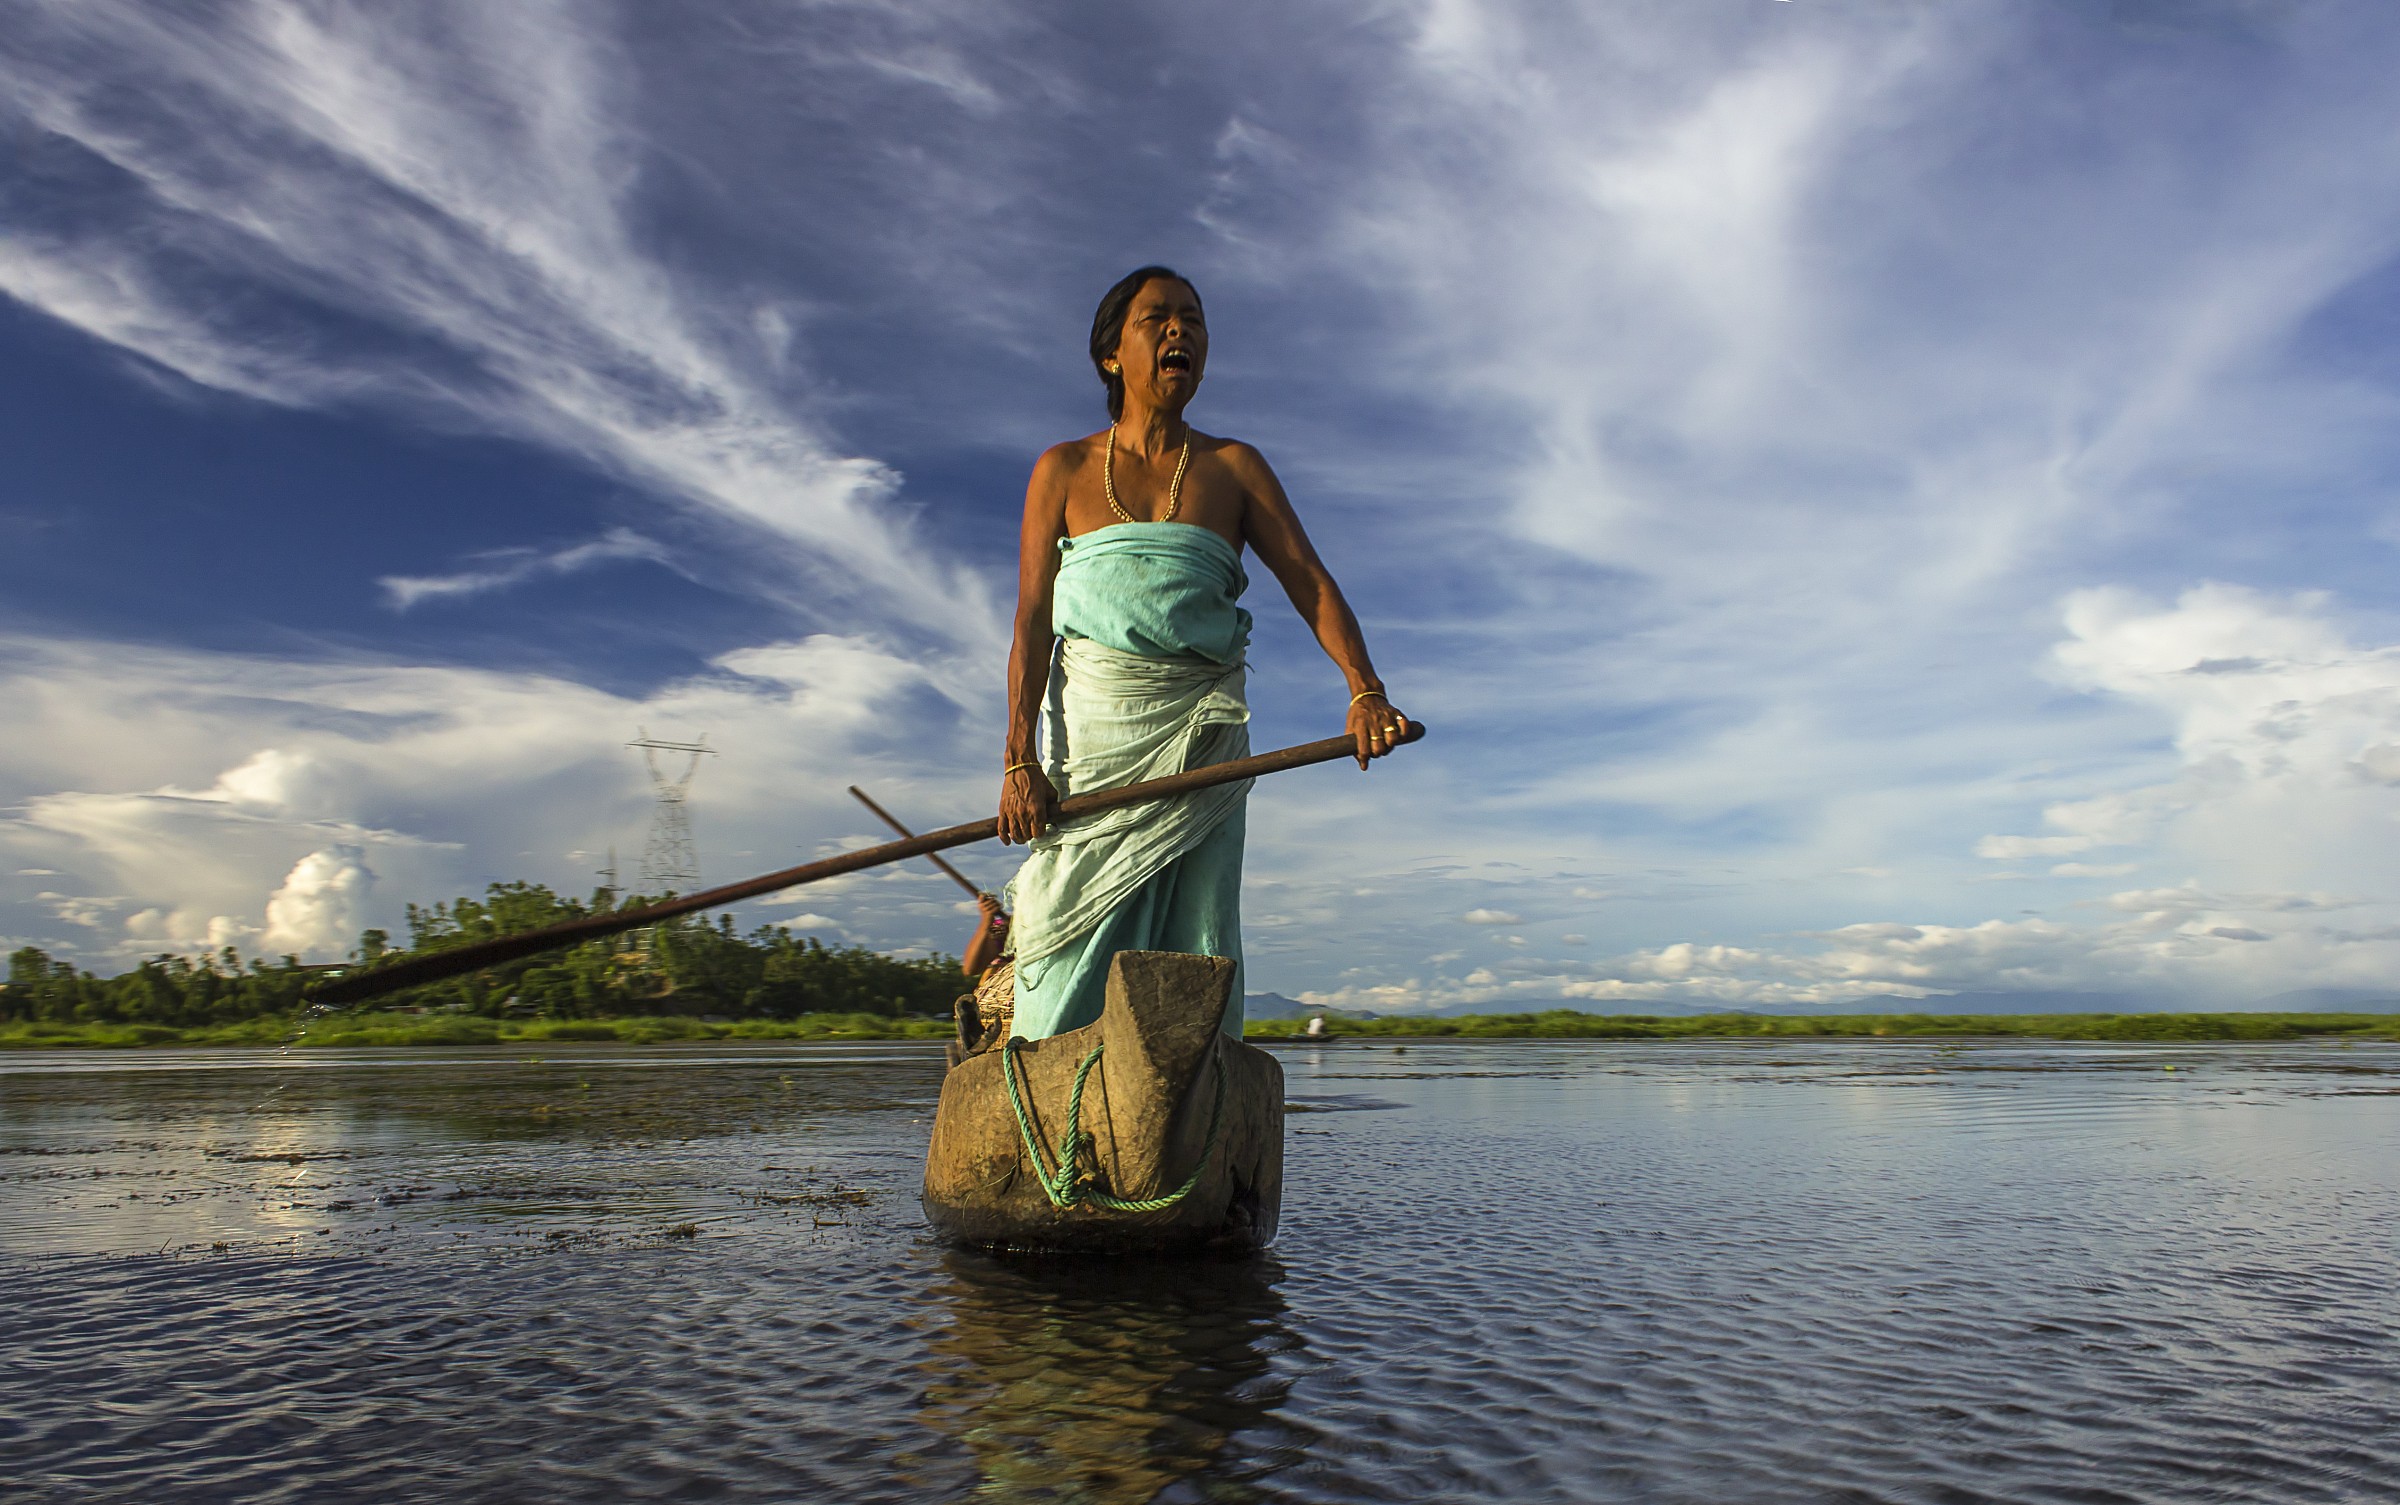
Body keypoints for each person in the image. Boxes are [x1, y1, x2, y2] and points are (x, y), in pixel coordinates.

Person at [996, 265, 1407, 1043]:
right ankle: (1049, 1081)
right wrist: (1019, 760)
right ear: (1112, 354)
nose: (1179, 329)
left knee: (1195, 944)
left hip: (1203, 742)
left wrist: (1365, 690)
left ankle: (1196, 1093)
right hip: (1092, 746)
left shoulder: (1233, 468)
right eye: (1157, 317)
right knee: (1064, 943)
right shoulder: (1063, 469)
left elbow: (1310, 581)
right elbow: (1032, 621)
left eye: (1192, 317)